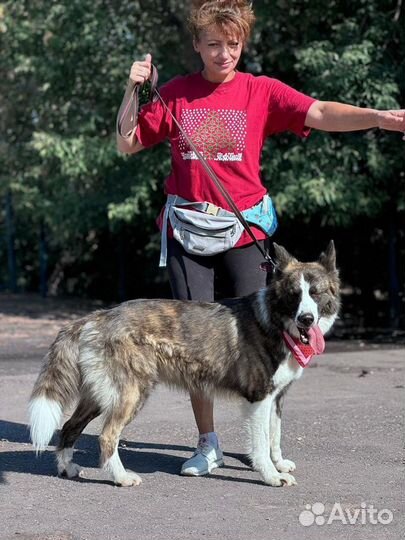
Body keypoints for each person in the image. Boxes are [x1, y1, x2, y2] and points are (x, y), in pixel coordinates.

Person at [117, 0, 405, 477]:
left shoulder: (260, 91)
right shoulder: (176, 93)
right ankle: (207, 443)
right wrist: (133, 87)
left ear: (242, 43)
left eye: (232, 44)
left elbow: (319, 111)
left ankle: (268, 444)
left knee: (268, 339)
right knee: (195, 344)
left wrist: (376, 117)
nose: (223, 53)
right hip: (189, 231)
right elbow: (127, 140)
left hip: (246, 229)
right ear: (196, 44)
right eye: (212, 44)